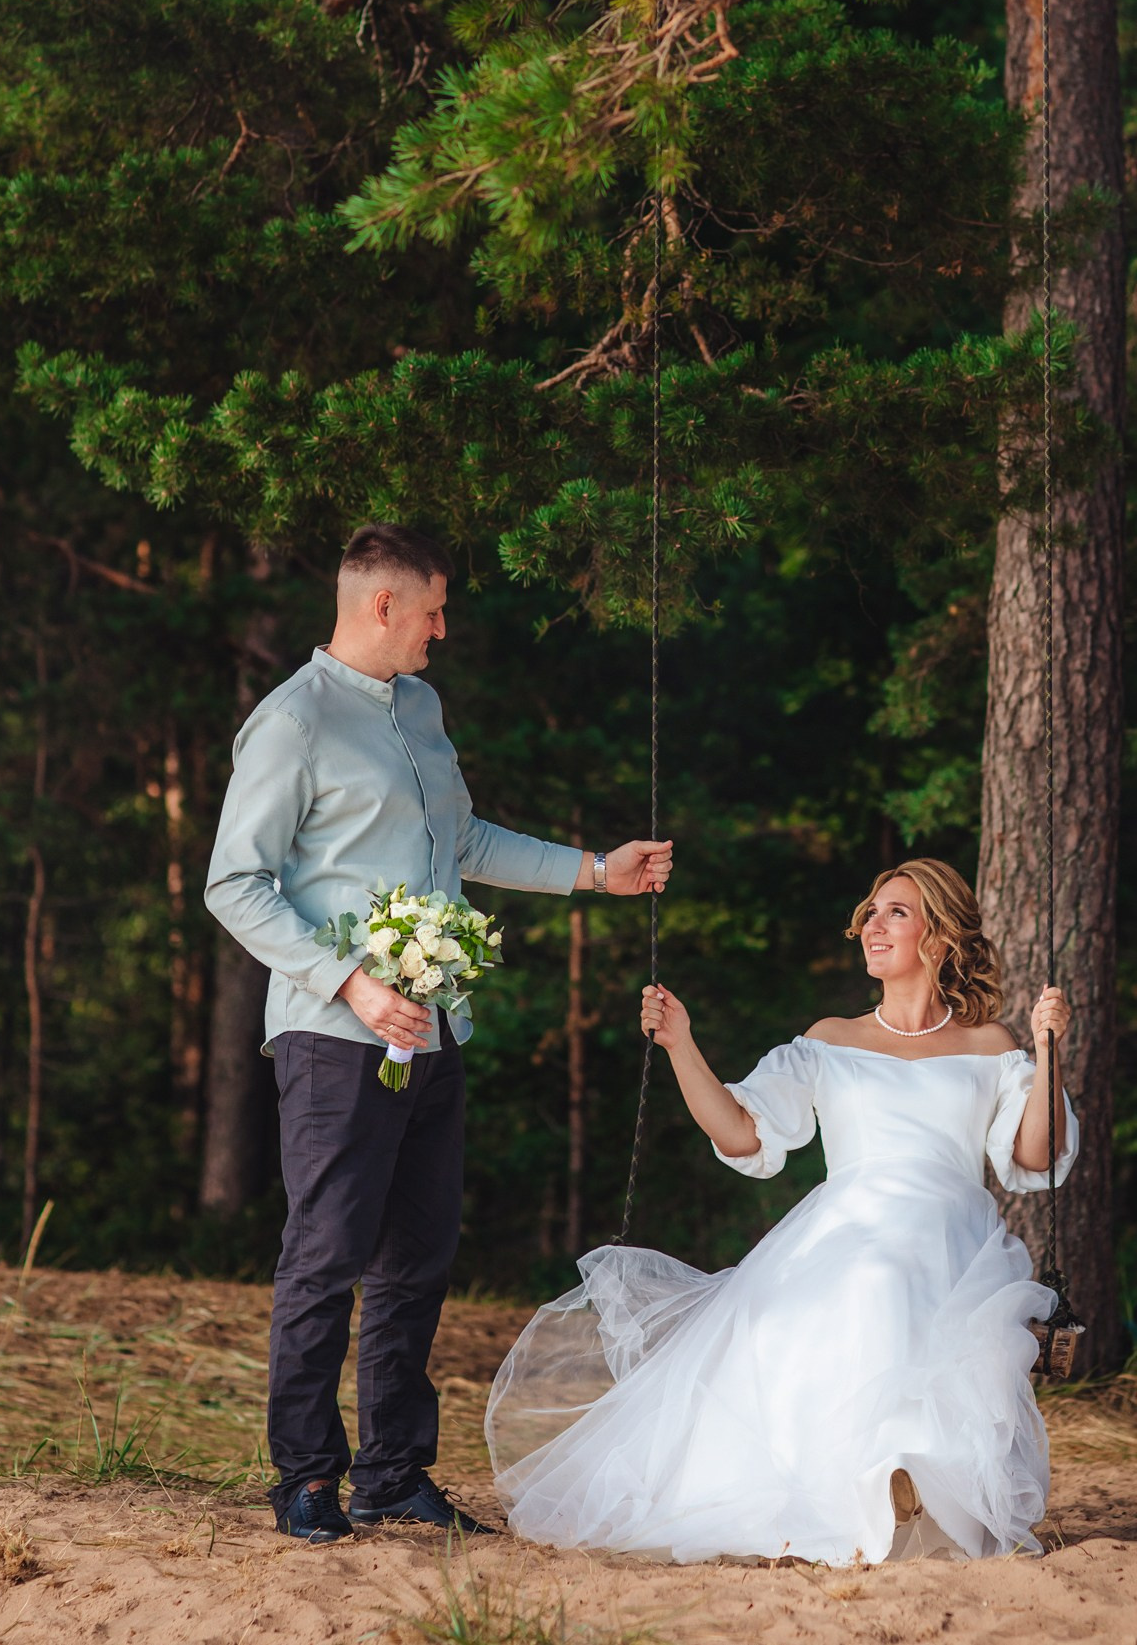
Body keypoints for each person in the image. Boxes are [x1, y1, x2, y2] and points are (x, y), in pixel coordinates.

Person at [204, 523, 673, 1543]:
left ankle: (392, 1470)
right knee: (325, 1256)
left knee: (418, 1257)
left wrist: (597, 867)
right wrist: (350, 984)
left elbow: (464, 841)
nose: (443, 629)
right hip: (336, 1038)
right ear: (383, 605)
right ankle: (306, 1476)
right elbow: (232, 882)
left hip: (436, 1030)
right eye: (434, 610)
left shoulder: (420, 706)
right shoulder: (294, 720)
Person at [486, 858, 1077, 1564]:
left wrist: (1046, 1049)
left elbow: (1036, 1154)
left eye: (895, 911)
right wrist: (680, 1044)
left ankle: (917, 1479)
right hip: (850, 1220)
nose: (871, 924)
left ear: (940, 935)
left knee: (894, 1273)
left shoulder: (989, 1045)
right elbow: (740, 1130)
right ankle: (874, 1479)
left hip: (951, 1226)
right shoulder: (831, 1039)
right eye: (869, 910)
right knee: (867, 1277)